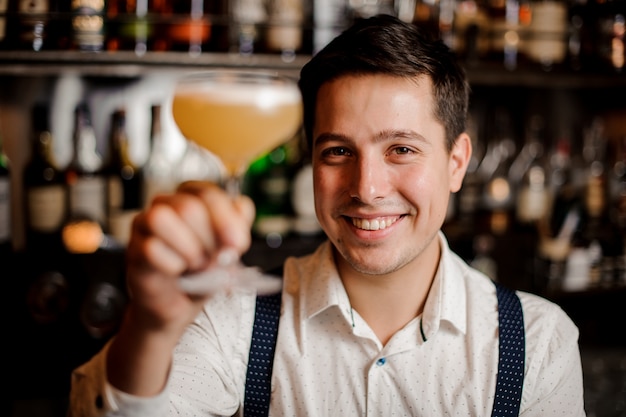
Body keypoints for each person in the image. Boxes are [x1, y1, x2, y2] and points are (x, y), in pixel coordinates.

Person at [68, 14, 585, 416]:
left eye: (401, 149)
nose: (366, 188)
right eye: (338, 151)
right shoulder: (236, 320)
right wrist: (151, 327)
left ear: (456, 163)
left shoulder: (537, 341)